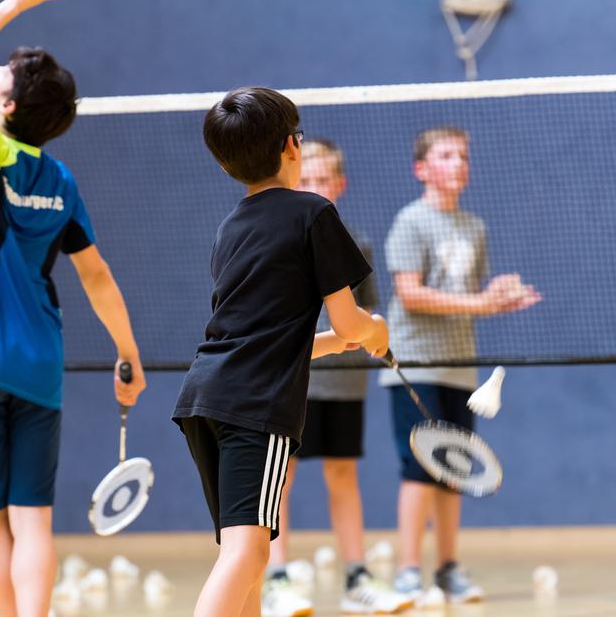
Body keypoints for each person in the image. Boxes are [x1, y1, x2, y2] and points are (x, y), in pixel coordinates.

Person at [0, 0, 145, 617]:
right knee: (35, 521)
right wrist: (126, 356)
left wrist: (13, 6)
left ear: (8, 108)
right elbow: (95, 274)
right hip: (40, 360)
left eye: (1, 74)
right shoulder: (61, 179)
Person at [172, 87, 390, 617]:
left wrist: (346, 339)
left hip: (204, 397)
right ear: (293, 146)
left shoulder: (230, 228)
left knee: (243, 549)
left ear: (227, 167)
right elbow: (347, 317)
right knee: (248, 552)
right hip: (255, 407)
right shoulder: (315, 213)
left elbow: (276, 338)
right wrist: (374, 329)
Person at [383, 126, 540, 605]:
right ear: (422, 169)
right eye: (446, 156)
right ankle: (409, 570)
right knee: (418, 467)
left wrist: (498, 300)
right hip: (416, 364)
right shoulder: (411, 222)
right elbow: (410, 294)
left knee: (453, 469)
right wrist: (480, 304)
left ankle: (448, 569)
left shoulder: (474, 227)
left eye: (463, 156)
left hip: (459, 367)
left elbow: (469, 297)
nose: (458, 164)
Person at [263, 139, 409, 616]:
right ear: (293, 180)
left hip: (344, 380)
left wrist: (374, 330)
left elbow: (365, 307)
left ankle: (356, 577)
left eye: (325, 180)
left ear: (339, 185)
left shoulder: (355, 242)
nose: (316, 188)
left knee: (343, 474)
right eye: (308, 179)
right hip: (293, 378)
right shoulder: (280, 239)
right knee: (280, 477)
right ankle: (276, 577)